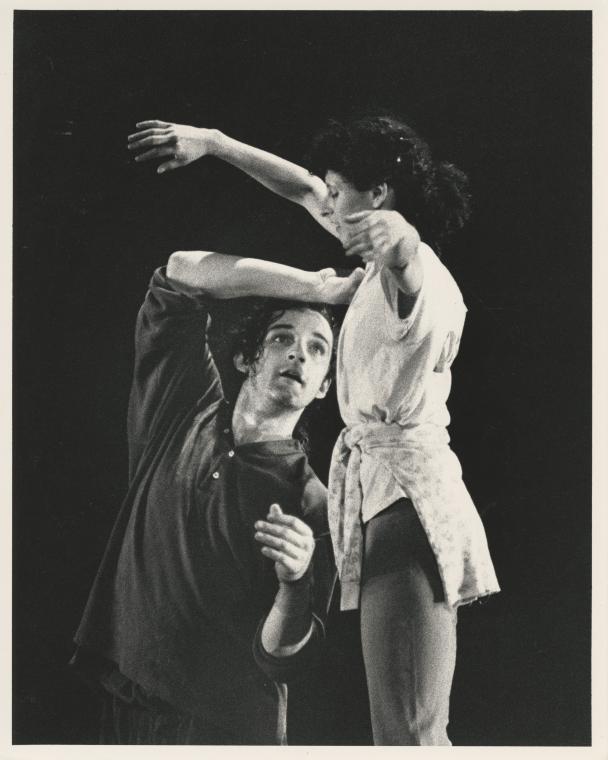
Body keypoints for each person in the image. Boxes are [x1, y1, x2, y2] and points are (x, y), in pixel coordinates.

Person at [127, 114, 501, 745]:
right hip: (383, 500)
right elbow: (300, 188)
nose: (325, 202)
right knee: (400, 728)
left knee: (410, 729)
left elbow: (412, 269)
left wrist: (402, 236)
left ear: (377, 195)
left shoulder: (419, 277)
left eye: (339, 191)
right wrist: (217, 144)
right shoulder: (369, 275)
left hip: (409, 501)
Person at [71, 250, 364, 745]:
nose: (298, 354)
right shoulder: (181, 406)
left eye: (318, 350)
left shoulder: (317, 501)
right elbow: (182, 270)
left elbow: (282, 655)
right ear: (247, 358)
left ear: (324, 388)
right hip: (125, 695)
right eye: (282, 339)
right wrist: (318, 290)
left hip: (220, 729)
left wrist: (294, 582)